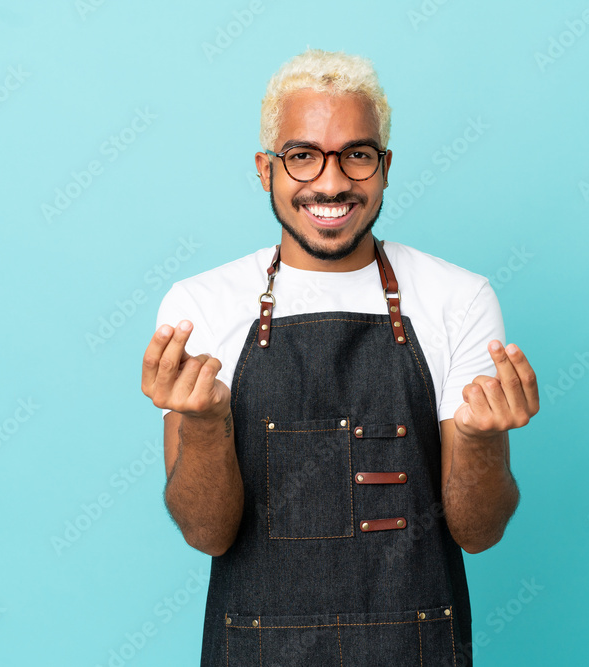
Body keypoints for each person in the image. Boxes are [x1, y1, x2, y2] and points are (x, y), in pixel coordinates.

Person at [141, 48, 539, 666]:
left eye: (356, 155)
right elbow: (207, 533)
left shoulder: (459, 299)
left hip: (415, 645)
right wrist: (204, 424)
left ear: (384, 167)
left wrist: (485, 443)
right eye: (302, 156)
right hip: (258, 648)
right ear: (265, 169)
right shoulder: (201, 304)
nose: (330, 183)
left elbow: (478, 533)